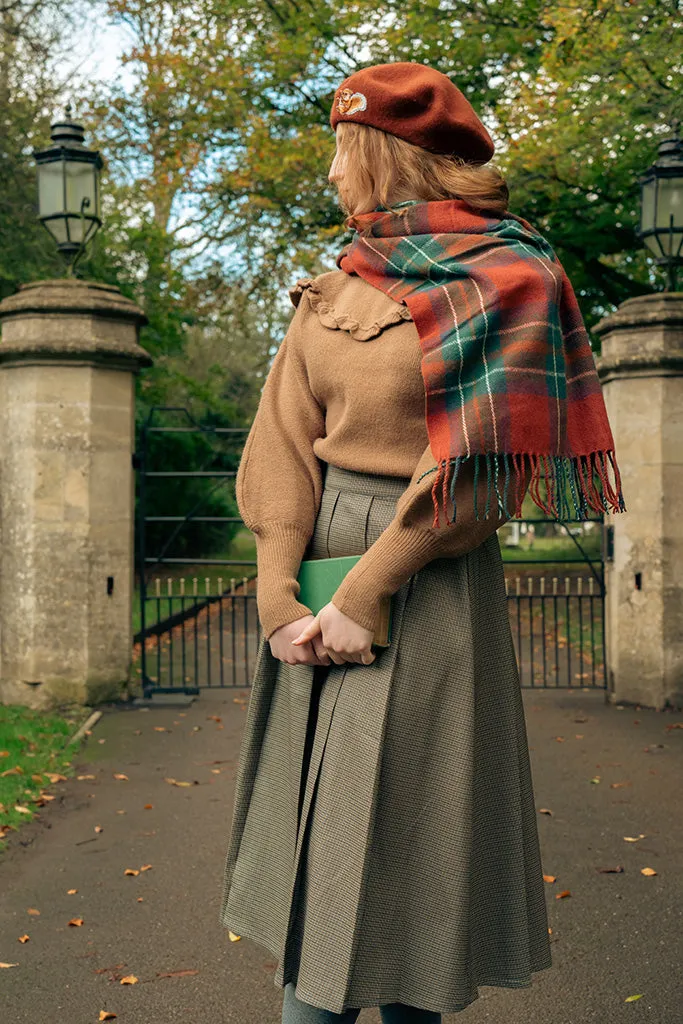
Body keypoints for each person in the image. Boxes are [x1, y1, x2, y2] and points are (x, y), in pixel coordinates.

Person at [219, 62, 625, 1023]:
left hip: (426, 576)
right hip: (314, 580)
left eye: (338, 149)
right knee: (315, 847)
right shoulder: (334, 285)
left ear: (381, 154)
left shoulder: (515, 280)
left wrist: (366, 592)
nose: (329, 173)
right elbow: (281, 443)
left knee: (411, 844)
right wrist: (280, 594)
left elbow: (485, 469)